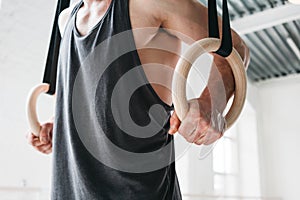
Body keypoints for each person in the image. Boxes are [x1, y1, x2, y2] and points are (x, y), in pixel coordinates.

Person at [27, 0, 250, 199]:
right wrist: (60, 127)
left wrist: (212, 102)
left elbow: (234, 50)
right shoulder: (66, 20)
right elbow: (87, 92)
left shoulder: (151, 4)